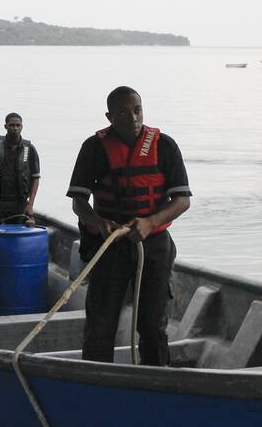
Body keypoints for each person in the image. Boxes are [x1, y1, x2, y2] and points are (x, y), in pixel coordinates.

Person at [67, 86, 191, 366]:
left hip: (154, 245)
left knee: (152, 325)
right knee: (101, 323)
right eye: (123, 113)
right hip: (109, 245)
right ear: (110, 117)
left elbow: (182, 200)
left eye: (137, 110)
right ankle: (95, 380)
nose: (133, 118)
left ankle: (157, 381)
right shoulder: (94, 148)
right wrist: (99, 223)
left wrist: (150, 222)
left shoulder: (165, 146)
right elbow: (79, 202)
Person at [0, 112, 40, 224]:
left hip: (19, 201)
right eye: (11, 125)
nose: (15, 128)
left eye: (18, 125)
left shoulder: (29, 149)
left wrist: (30, 204)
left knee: (20, 230)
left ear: (21, 127)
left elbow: (35, 178)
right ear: (6, 126)